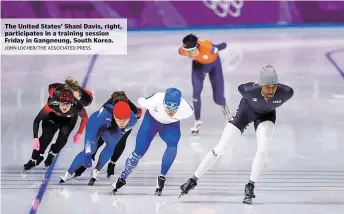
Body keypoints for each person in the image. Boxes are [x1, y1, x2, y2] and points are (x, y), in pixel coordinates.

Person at [179, 65, 294, 205]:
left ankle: (250, 185)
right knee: (222, 148)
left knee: (263, 147)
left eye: (274, 87)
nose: (271, 91)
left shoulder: (286, 92)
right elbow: (241, 86)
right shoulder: (248, 90)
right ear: (260, 84)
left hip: (266, 116)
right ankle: (193, 180)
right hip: (245, 113)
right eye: (267, 87)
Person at [111, 88, 193, 196]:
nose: (171, 111)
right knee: (138, 153)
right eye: (168, 107)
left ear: (179, 105)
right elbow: (140, 102)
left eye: (175, 108)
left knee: (173, 145)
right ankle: (122, 177)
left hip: (170, 126)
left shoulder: (186, 109)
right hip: (151, 122)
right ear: (163, 103)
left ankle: (162, 177)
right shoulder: (154, 100)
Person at [60, 101, 138, 186]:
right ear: (115, 116)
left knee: (112, 145)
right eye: (120, 120)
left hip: (114, 128)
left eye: (125, 120)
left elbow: (122, 132)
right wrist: (88, 154)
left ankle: (97, 170)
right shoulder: (103, 116)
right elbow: (90, 137)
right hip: (97, 124)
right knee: (90, 149)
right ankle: (69, 172)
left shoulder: (133, 120)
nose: (122, 123)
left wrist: (118, 129)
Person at [73, 91, 142, 179]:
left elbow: (137, 113)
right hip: (111, 122)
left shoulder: (129, 105)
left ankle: (111, 163)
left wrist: (128, 122)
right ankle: (92, 160)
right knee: (101, 139)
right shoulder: (110, 104)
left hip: (123, 124)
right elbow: (100, 115)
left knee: (120, 140)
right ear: (113, 101)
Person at [23, 88, 88, 171]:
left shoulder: (77, 106)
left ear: (72, 104)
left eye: (67, 104)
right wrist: (35, 138)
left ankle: (52, 153)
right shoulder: (52, 104)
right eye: (62, 103)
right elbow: (37, 120)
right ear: (58, 102)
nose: (64, 107)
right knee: (46, 136)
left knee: (63, 136)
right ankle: (34, 158)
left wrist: (79, 133)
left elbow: (85, 118)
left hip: (68, 120)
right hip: (52, 117)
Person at [178, 34, 230, 134]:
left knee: (218, 98)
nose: (188, 55)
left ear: (197, 47)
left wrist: (218, 46)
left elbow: (224, 45)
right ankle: (197, 121)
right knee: (196, 93)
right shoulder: (182, 50)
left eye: (190, 51)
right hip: (199, 66)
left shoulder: (209, 48)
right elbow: (180, 51)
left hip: (214, 65)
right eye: (187, 52)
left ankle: (228, 114)